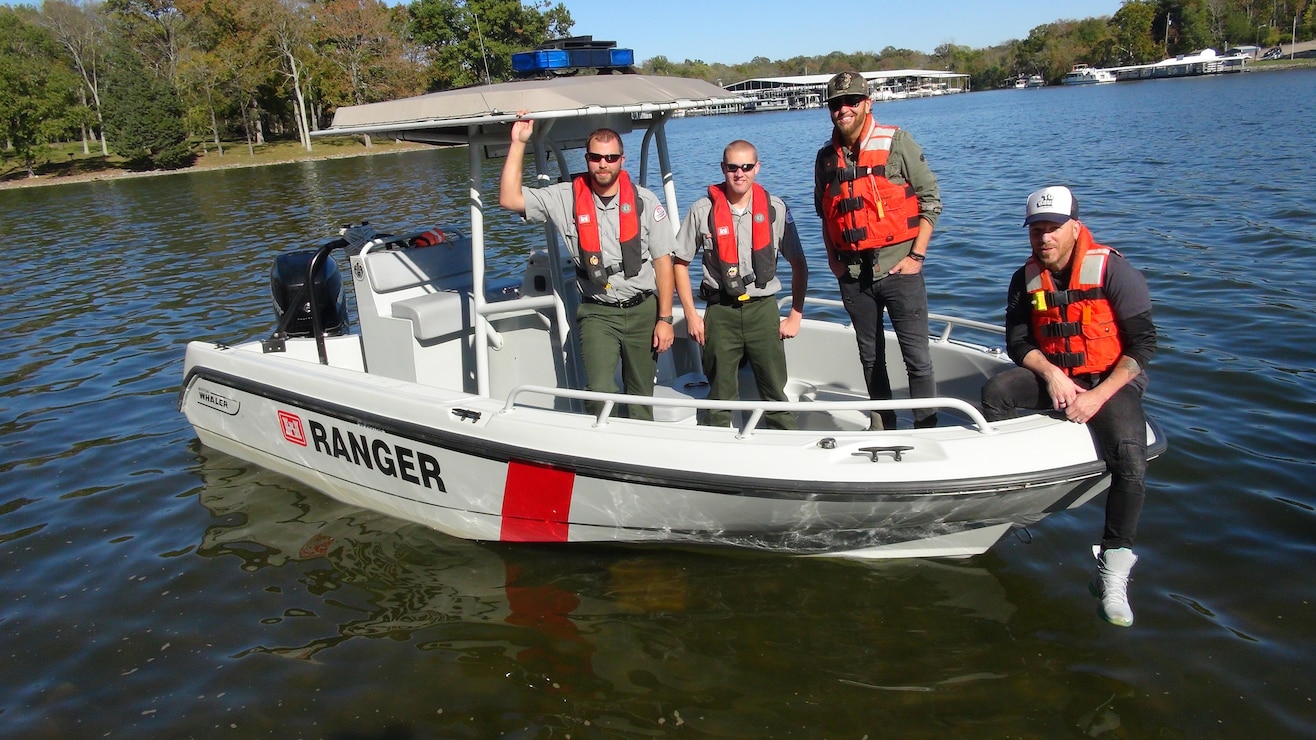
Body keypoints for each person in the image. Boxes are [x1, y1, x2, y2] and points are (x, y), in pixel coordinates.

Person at [981, 186, 1157, 627]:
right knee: (996, 392)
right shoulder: (1024, 279)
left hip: (1109, 381)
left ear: (1074, 227)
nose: (1044, 239)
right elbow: (1018, 343)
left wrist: (1097, 396)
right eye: (1037, 230)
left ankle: (1113, 569)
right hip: (1057, 376)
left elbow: (1144, 346)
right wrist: (1053, 375)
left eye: (1053, 229)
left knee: (1131, 461)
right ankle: (1013, 497)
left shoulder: (1112, 270)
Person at [499, 119, 677, 421]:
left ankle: (637, 455)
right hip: (598, 312)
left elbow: (663, 263)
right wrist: (518, 142)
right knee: (598, 392)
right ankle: (605, 447)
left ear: (622, 159)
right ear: (587, 160)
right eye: (596, 157)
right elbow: (509, 199)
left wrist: (665, 319)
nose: (603, 164)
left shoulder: (644, 201)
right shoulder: (564, 197)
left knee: (640, 395)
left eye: (610, 158)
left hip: (643, 310)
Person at [813, 71, 942, 431]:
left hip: (900, 271)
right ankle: (883, 426)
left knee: (917, 358)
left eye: (851, 102)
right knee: (870, 357)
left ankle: (926, 428)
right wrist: (833, 261)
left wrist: (916, 257)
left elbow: (931, 201)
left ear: (867, 103)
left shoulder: (898, 142)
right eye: (836, 104)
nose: (844, 110)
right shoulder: (826, 159)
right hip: (854, 277)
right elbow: (825, 213)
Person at [674, 140, 809, 430]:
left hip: (763, 312)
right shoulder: (702, 210)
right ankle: (716, 458)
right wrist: (691, 315)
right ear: (723, 169)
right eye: (733, 167)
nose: (740, 174)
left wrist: (796, 314)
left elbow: (799, 263)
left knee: (775, 392)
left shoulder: (775, 209)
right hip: (721, 314)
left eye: (746, 167)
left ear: (757, 168)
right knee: (720, 397)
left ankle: (788, 452)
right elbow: (679, 263)